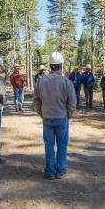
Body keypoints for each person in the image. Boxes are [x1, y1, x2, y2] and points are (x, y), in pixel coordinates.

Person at [34, 52, 76, 180]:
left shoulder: (41, 81)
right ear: (61, 66)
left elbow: (37, 101)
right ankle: (61, 170)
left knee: (49, 145)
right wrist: (68, 115)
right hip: (61, 118)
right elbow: (72, 103)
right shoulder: (66, 82)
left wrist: (42, 114)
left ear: (50, 66)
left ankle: (50, 171)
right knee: (62, 145)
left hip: (47, 118)